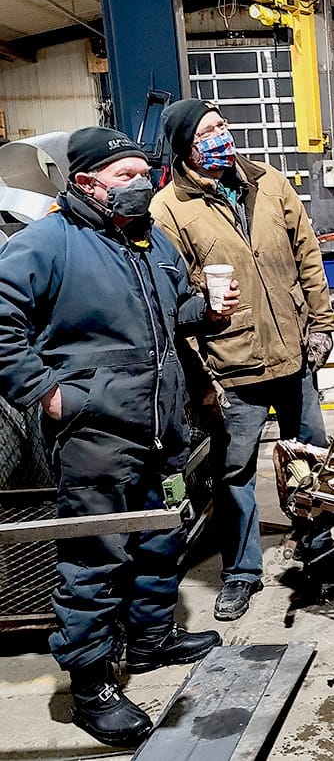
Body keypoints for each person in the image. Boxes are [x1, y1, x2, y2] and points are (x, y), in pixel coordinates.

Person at [0, 127, 236, 748]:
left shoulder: (149, 239)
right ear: (86, 182)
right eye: (125, 174)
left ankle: (152, 637)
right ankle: (91, 684)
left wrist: (206, 309)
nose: (140, 184)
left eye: (144, 173)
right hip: (95, 433)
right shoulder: (46, 243)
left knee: (161, 535)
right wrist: (47, 393)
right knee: (95, 556)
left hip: (163, 425)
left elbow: (177, 306)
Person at [150, 99, 334, 621]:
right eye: (207, 132)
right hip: (233, 365)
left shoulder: (270, 183)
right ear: (186, 146)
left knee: (312, 461)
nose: (222, 137)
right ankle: (241, 572)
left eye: (223, 126)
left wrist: (321, 324)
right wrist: (202, 380)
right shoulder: (169, 209)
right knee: (235, 476)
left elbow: (307, 258)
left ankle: (317, 544)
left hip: (294, 356)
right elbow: (175, 303)